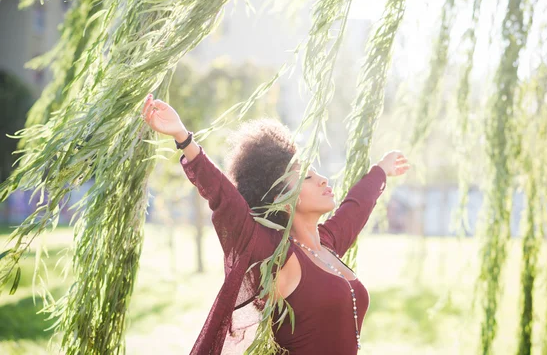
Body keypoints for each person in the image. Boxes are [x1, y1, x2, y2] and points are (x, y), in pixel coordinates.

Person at [142, 93, 410, 354]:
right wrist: (184, 138)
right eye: (306, 177)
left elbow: (356, 207)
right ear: (282, 199)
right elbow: (224, 199)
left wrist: (381, 170)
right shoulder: (274, 254)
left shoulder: (326, 245)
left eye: (317, 173)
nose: (323, 180)